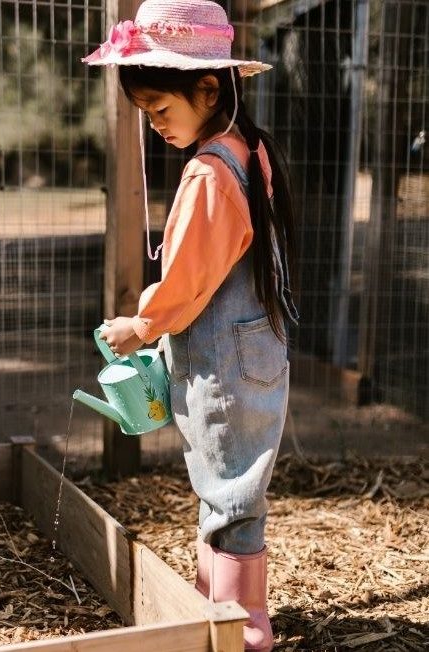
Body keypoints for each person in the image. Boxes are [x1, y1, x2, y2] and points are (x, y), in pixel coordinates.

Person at [82, 2, 299, 651]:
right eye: (147, 113)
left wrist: (141, 326)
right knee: (228, 481)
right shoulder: (248, 148)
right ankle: (217, 605)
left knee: (229, 489)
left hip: (226, 363)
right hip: (254, 347)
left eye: (160, 109)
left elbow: (188, 280)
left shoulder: (209, 173)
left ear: (207, 88)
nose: (156, 125)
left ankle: (242, 628)